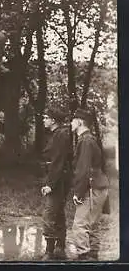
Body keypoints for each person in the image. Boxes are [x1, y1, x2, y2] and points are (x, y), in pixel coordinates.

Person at [69, 108, 110, 261]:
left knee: (80, 225)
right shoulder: (90, 139)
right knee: (92, 223)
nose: (70, 123)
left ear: (79, 122)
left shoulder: (85, 141)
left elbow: (83, 170)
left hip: (92, 188)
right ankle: (93, 256)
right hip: (100, 187)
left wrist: (78, 193)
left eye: (73, 120)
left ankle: (84, 258)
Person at [40, 107, 73, 260]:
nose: (43, 120)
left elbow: (58, 162)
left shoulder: (61, 135)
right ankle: (60, 247)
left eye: (46, 117)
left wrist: (50, 184)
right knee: (58, 212)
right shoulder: (58, 134)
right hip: (59, 178)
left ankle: (49, 251)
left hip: (59, 180)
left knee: (49, 213)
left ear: (53, 120)